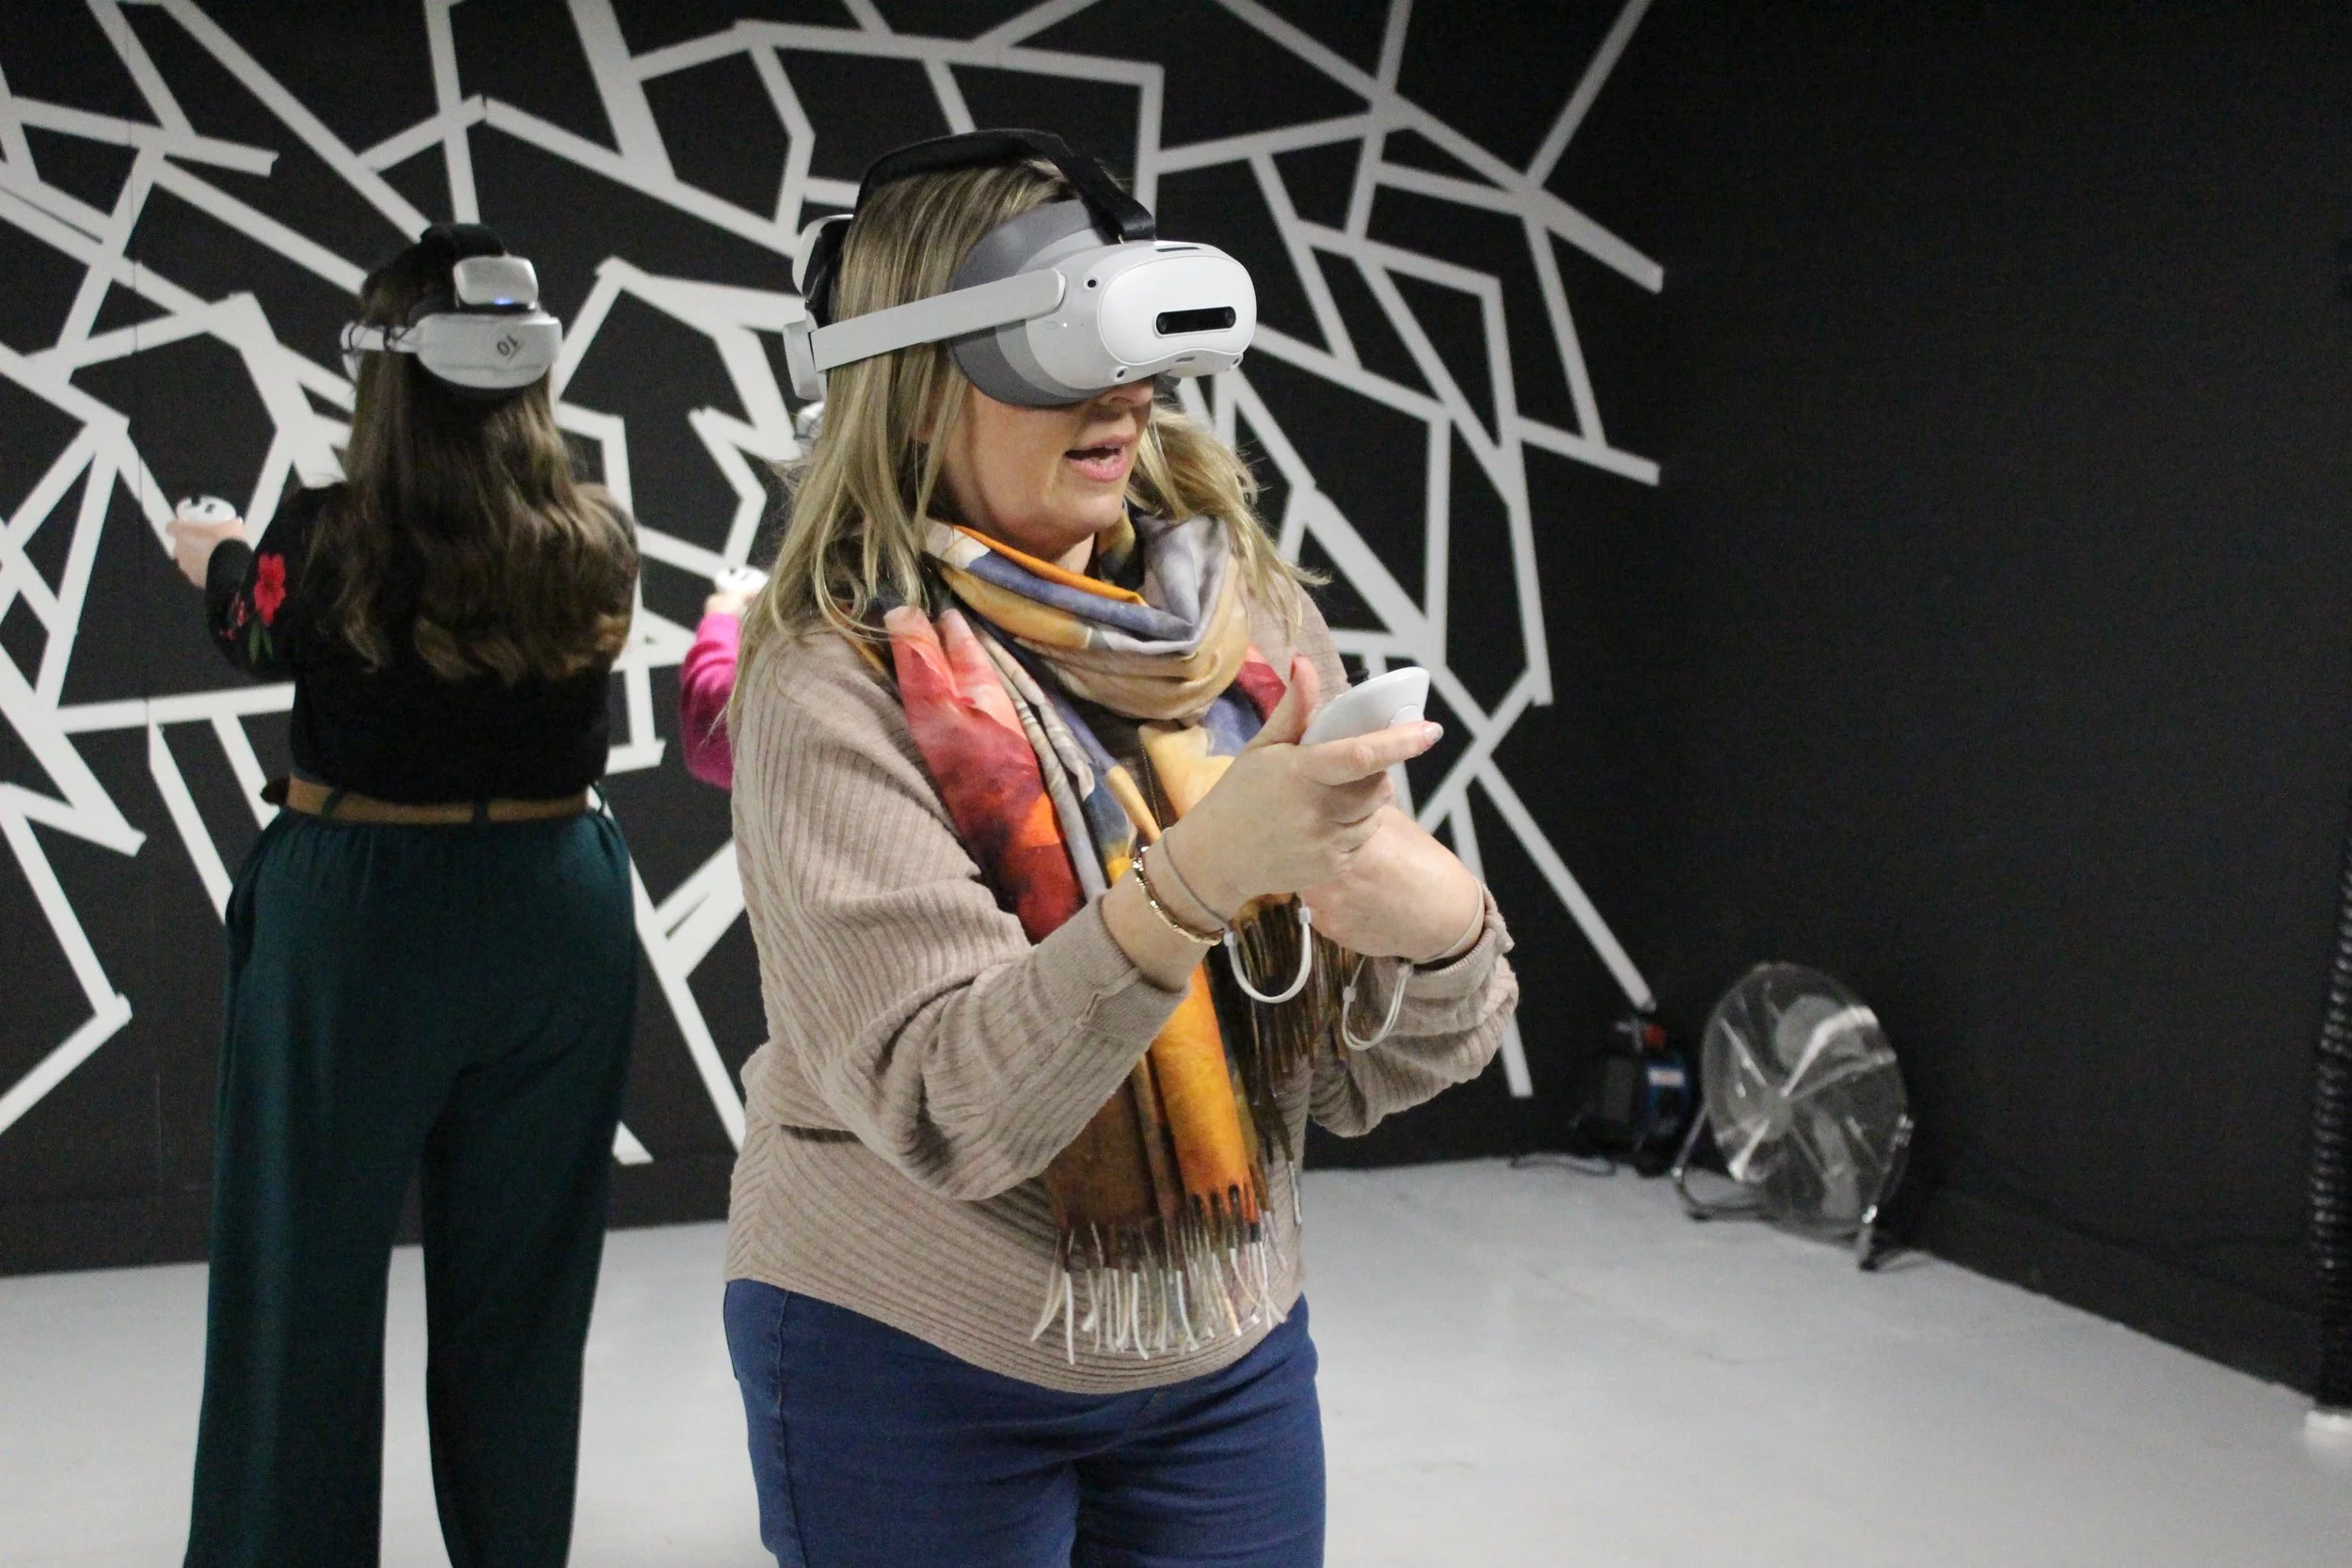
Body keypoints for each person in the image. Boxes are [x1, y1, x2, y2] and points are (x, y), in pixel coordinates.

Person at [723, 135, 1518, 1567]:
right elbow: (947, 1104)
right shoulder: (825, 683)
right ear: (907, 388)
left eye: (1133, 336)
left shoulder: (1245, 621)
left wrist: (1441, 925)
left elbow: (1345, 1079)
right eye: (1056, 341)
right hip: (910, 1350)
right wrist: (1197, 882)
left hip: (1225, 1349)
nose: (1126, 391)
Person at [165, 225, 641, 1568]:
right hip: (558, 908)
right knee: (522, 1300)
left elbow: (250, 620)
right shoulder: (593, 534)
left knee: (299, 1286)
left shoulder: (322, 540)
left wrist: (211, 547)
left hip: (361, 917)